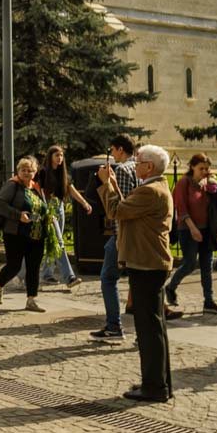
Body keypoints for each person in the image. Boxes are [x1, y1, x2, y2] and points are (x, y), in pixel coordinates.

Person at [102, 144, 174, 402]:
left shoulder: (150, 191)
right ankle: (159, 382)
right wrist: (113, 183)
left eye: (139, 161)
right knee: (154, 327)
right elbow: (127, 207)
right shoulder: (154, 188)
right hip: (149, 263)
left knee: (148, 329)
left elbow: (116, 211)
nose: (135, 165)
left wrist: (106, 184)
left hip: (147, 264)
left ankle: (155, 387)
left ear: (149, 167)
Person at [165, 153, 217, 314]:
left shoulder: (207, 184)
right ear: (192, 167)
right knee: (189, 264)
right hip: (188, 229)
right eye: (201, 168)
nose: (204, 171)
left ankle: (209, 301)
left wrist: (214, 184)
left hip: (207, 230)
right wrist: (192, 228)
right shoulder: (183, 183)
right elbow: (181, 208)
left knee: (207, 266)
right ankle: (171, 287)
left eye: (207, 168)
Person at [90, 135, 139, 341]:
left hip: (124, 234)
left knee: (108, 278)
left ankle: (114, 326)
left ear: (119, 150)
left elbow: (120, 207)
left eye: (112, 150)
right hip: (139, 234)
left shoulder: (123, 170)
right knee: (139, 281)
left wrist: (106, 182)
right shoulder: (140, 168)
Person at [0, 157, 45, 310]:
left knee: (34, 267)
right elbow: (0, 205)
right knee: (14, 266)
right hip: (15, 233)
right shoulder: (12, 185)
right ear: (18, 171)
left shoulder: (36, 187)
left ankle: (31, 300)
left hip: (36, 234)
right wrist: (18, 215)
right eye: (24, 170)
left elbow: (41, 207)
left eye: (30, 170)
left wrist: (47, 215)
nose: (27, 173)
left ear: (35, 173)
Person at [36, 144, 92, 290]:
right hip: (47, 208)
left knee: (52, 243)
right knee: (59, 243)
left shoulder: (62, 174)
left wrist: (84, 203)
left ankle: (47, 274)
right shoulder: (43, 172)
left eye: (61, 156)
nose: (60, 159)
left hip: (59, 208)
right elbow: (37, 190)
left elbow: (71, 189)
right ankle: (69, 277)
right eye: (57, 155)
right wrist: (44, 209)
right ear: (50, 157)